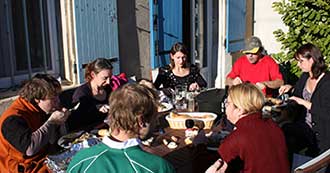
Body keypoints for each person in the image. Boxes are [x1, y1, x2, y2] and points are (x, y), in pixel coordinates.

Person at [67, 84, 175, 173]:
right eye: (154, 118)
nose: (156, 123)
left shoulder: (80, 160)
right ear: (141, 121)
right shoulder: (157, 167)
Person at [206, 83, 289, 173]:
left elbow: (219, 164)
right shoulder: (274, 126)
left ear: (240, 110)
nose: (226, 106)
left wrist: (199, 142)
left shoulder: (236, 139)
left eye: (228, 103)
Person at [0, 74, 70, 172]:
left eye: (58, 96)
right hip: (20, 168)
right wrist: (52, 122)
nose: (57, 101)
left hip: (43, 160)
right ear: (37, 99)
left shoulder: (40, 109)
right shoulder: (12, 119)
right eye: (53, 98)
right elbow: (29, 148)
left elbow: (55, 140)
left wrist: (61, 122)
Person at [279, 43, 330, 153]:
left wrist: (305, 103)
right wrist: (290, 89)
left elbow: (327, 113)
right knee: (280, 132)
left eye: (301, 61)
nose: (298, 65)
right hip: (303, 127)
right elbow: (297, 96)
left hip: (322, 133)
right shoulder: (305, 76)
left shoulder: (327, 82)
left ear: (311, 60)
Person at [67, 58, 113, 131]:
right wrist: (96, 108)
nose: (108, 82)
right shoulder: (82, 93)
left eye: (110, 77)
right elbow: (76, 119)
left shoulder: (108, 89)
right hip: (86, 132)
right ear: (93, 75)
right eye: (105, 78)